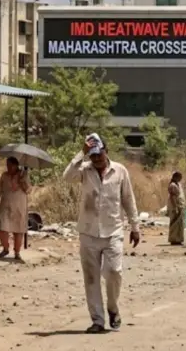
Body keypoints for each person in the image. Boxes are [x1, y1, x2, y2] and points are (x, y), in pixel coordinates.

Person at [63, 133, 139, 334]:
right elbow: (66, 177)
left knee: (114, 272)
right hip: (88, 232)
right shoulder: (84, 171)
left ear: (107, 152)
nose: (96, 159)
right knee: (91, 278)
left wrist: (135, 226)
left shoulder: (120, 171)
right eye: (92, 155)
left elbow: (128, 200)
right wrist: (82, 152)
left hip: (113, 231)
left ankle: (113, 308)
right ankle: (97, 320)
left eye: (99, 154)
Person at [0, 156, 31, 260]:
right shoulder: (4, 175)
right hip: (5, 205)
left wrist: (22, 180)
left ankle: (17, 252)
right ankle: (5, 248)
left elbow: (28, 190)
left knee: (18, 230)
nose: (8, 167)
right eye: (7, 165)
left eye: (10, 166)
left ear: (16, 166)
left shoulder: (23, 175)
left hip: (19, 207)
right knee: (1, 227)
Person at [167, 172, 186, 245]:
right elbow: (172, 197)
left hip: (180, 205)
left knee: (180, 223)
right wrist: (175, 207)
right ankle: (173, 239)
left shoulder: (178, 184)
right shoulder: (172, 185)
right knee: (174, 223)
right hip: (175, 206)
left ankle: (178, 239)